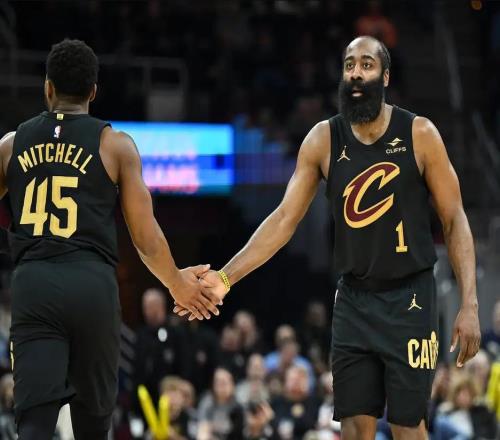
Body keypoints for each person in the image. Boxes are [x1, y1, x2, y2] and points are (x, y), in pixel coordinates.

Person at [176, 36, 482, 440]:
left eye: (367, 64)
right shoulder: (323, 139)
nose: (356, 73)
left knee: (408, 427)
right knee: (354, 428)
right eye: (349, 64)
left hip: (410, 298)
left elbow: (455, 219)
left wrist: (469, 303)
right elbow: (283, 219)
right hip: (354, 299)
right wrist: (225, 277)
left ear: (385, 77)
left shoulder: (420, 133)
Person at [0, 39, 221, 440]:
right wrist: (177, 283)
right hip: (93, 286)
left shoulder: (11, 145)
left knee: (33, 424)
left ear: (47, 88)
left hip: (35, 282)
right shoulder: (115, 145)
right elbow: (145, 236)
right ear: (93, 92)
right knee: (93, 423)